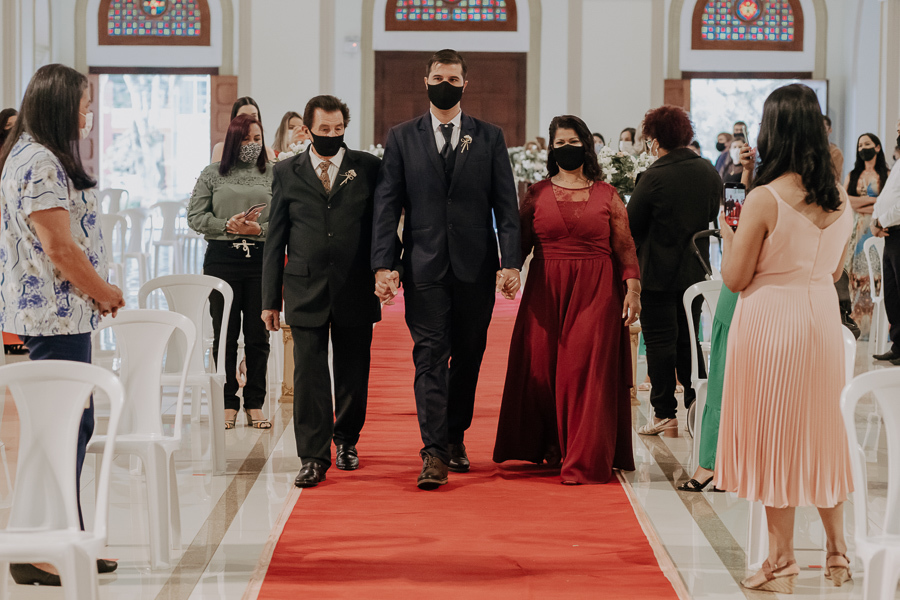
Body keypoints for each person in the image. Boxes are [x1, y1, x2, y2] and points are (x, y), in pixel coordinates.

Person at [715, 83, 854, 593]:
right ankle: (838, 554)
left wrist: (729, 234)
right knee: (821, 438)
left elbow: (734, 277)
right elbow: (836, 270)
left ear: (773, 130)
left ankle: (782, 562)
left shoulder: (764, 199)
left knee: (776, 438)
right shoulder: (838, 199)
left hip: (772, 323)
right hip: (821, 320)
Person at [371, 48, 521, 490]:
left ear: (465, 84)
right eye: (439, 77)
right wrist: (384, 263)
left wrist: (510, 260)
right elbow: (386, 206)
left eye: (454, 79)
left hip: (476, 266)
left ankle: (455, 435)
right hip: (425, 266)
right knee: (430, 356)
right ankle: (433, 451)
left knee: (469, 358)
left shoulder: (489, 137)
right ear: (427, 81)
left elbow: (506, 207)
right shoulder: (402, 137)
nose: (446, 85)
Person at [0, 63, 124, 586]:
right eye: (83, 102)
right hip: (53, 315)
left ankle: (64, 536)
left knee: (70, 426)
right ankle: (41, 547)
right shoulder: (41, 162)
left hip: (58, 313)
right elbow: (58, 247)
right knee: (62, 430)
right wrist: (103, 291)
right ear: (58, 103)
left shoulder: (32, 154)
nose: (88, 111)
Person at [492, 115, 640, 484]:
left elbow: (624, 246)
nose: (566, 148)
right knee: (542, 370)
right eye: (559, 143)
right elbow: (520, 242)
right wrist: (508, 270)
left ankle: (584, 457)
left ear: (586, 145)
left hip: (596, 291)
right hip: (545, 291)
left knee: (582, 372)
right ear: (551, 149)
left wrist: (633, 288)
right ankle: (551, 446)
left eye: (572, 141)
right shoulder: (537, 193)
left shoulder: (607, 194)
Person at [262, 95, 386, 488]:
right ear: (308, 129)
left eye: (338, 129)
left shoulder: (367, 167)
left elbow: (382, 226)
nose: (331, 135)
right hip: (304, 285)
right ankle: (313, 456)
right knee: (310, 376)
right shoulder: (287, 171)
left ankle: (347, 440)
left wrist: (387, 267)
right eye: (324, 129)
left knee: (353, 372)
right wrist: (269, 299)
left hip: (354, 284)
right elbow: (275, 238)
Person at [626, 105, 721, 436]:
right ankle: (697, 405)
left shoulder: (654, 176)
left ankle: (664, 411)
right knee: (689, 340)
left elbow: (631, 224)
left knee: (660, 342)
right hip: (694, 271)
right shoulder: (708, 170)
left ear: (654, 139)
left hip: (658, 273)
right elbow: (711, 212)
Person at [678, 141, 755, 492]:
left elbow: (736, 265)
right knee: (723, 382)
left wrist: (728, 234)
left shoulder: (778, 197)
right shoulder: (820, 195)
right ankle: (713, 462)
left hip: (753, 295)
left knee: (733, 384)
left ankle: (720, 463)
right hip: (752, 297)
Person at [188, 114, 272, 430]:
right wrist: (226, 225)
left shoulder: (274, 174)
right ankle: (226, 401)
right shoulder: (212, 174)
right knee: (225, 334)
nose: (253, 145)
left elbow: (285, 218)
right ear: (234, 141)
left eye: (257, 138)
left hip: (261, 260)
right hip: (222, 260)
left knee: (257, 334)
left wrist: (257, 229)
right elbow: (195, 216)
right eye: (247, 139)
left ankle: (254, 402)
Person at [844, 133, 890, 340]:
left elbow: (886, 203)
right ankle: (859, 329)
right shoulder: (853, 174)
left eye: (867, 144)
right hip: (856, 231)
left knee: (876, 279)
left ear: (877, 148)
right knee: (856, 280)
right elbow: (848, 202)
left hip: (876, 230)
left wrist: (864, 202)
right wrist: (873, 202)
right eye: (860, 144)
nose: (863, 148)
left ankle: (878, 330)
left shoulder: (886, 174)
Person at [870, 120, 900, 363]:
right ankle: (898, 346)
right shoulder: (898, 163)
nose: (898, 133)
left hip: (897, 230)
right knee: (892, 293)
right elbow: (885, 197)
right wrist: (874, 219)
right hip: (891, 235)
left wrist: (882, 221)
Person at [211, 97, 276, 162]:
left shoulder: (268, 153)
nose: (249, 120)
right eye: (243, 116)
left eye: (253, 116)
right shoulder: (221, 150)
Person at [824, 115, 844, 181]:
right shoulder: (809, 150)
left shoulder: (835, 152)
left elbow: (834, 179)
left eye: (823, 128)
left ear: (830, 130)